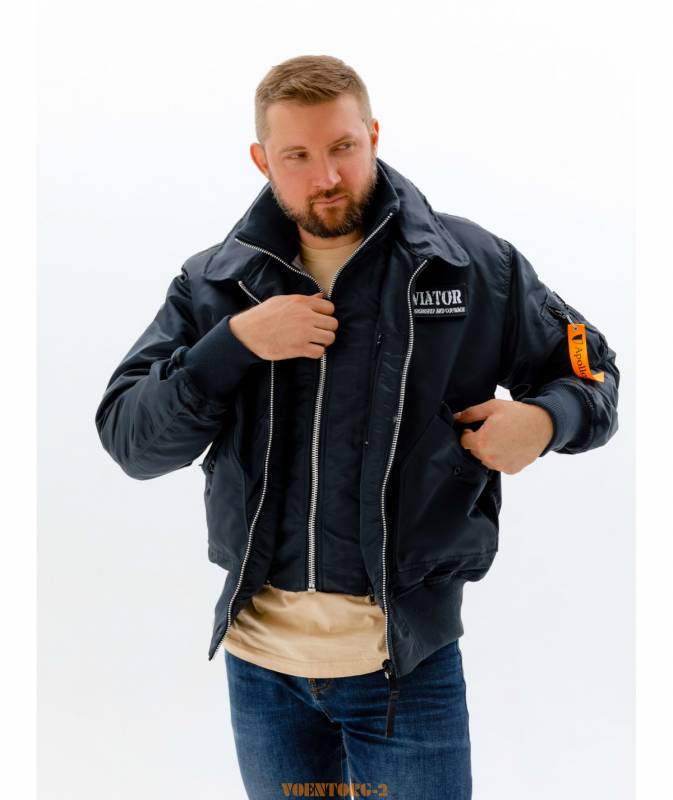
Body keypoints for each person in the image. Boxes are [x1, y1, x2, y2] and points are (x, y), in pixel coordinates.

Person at [94, 54, 620, 799]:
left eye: (342, 146)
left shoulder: (472, 266)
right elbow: (130, 440)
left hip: (405, 669)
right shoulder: (215, 284)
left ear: (372, 135)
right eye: (297, 156)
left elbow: (593, 372)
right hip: (261, 672)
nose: (327, 176)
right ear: (262, 160)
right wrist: (233, 345)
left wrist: (544, 418)